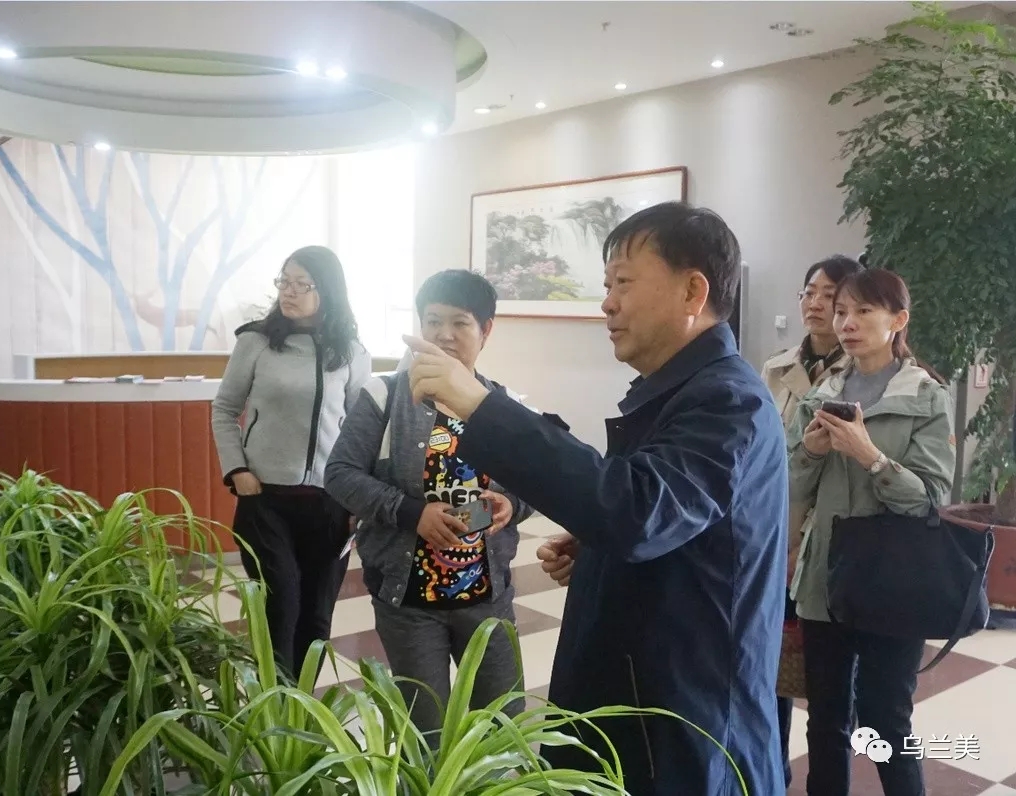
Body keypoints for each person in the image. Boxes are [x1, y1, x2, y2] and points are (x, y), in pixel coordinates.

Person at [403, 201, 788, 795]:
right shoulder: (678, 393)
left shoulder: (728, 400)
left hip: (684, 722)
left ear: (692, 291)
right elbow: (672, 519)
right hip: (642, 700)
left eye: (623, 283)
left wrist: (480, 404)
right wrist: (598, 552)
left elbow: (638, 511)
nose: (607, 303)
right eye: (607, 285)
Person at [324, 269, 531, 741]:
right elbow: (340, 474)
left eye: (460, 322)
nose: (444, 334)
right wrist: (412, 514)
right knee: (425, 734)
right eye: (433, 320)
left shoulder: (504, 405)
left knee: (503, 726)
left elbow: (532, 486)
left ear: (486, 330)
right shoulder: (383, 395)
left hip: (488, 598)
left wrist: (511, 505)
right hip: (409, 601)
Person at [786, 268, 955, 796]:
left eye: (863, 311)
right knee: (826, 720)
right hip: (824, 579)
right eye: (842, 312)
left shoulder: (926, 396)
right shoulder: (822, 392)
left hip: (893, 581)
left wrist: (871, 456)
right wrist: (810, 451)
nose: (847, 323)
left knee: (887, 720)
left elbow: (930, 499)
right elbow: (787, 485)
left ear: (898, 320)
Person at [211, 245, 371, 675]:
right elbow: (224, 408)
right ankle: (273, 703)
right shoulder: (256, 341)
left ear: (328, 291)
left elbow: (361, 430)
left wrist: (359, 496)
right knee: (280, 603)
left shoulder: (351, 351)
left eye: (302, 284)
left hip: (330, 503)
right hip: (266, 499)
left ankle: (301, 705)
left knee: (316, 616)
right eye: (284, 281)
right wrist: (237, 470)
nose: (289, 291)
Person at [760, 254, 864, 787]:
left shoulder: (865, 374)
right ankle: (770, 777)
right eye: (810, 292)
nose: (816, 303)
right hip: (774, 539)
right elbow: (761, 457)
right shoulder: (775, 368)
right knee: (769, 675)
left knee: (829, 696)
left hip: (829, 548)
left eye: (831, 296)